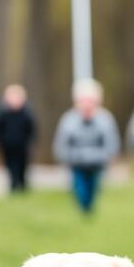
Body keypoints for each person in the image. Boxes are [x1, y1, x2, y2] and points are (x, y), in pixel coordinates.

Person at [53, 78, 120, 214]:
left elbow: (111, 142)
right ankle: (82, 209)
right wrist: (66, 157)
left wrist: (106, 157)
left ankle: (89, 210)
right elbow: (62, 143)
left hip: (97, 163)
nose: (87, 105)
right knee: (79, 188)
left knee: (93, 188)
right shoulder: (69, 120)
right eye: (84, 101)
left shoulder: (105, 119)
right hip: (76, 162)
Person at [0, 84, 38, 192]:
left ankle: (22, 185)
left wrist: (29, 141)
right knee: (10, 166)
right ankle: (13, 185)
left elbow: (32, 129)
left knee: (23, 165)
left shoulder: (26, 113)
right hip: (7, 145)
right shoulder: (2, 113)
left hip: (22, 145)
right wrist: (0, 141)